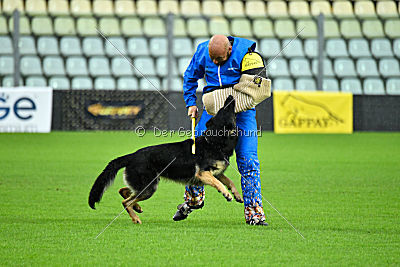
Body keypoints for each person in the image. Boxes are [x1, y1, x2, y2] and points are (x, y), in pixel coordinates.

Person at [173, 35, 268, 226]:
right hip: (213, 109)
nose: (215, 63)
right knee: (195, 153)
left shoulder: (246, 54)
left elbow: (258, 85)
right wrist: (191, 102)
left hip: (242, 110)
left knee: (248, 160)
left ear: (230, 50)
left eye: (220, 59)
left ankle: (254, 213)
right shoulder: (202, 51)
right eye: (212, 59)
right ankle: (193, 199)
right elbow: (190, 76)